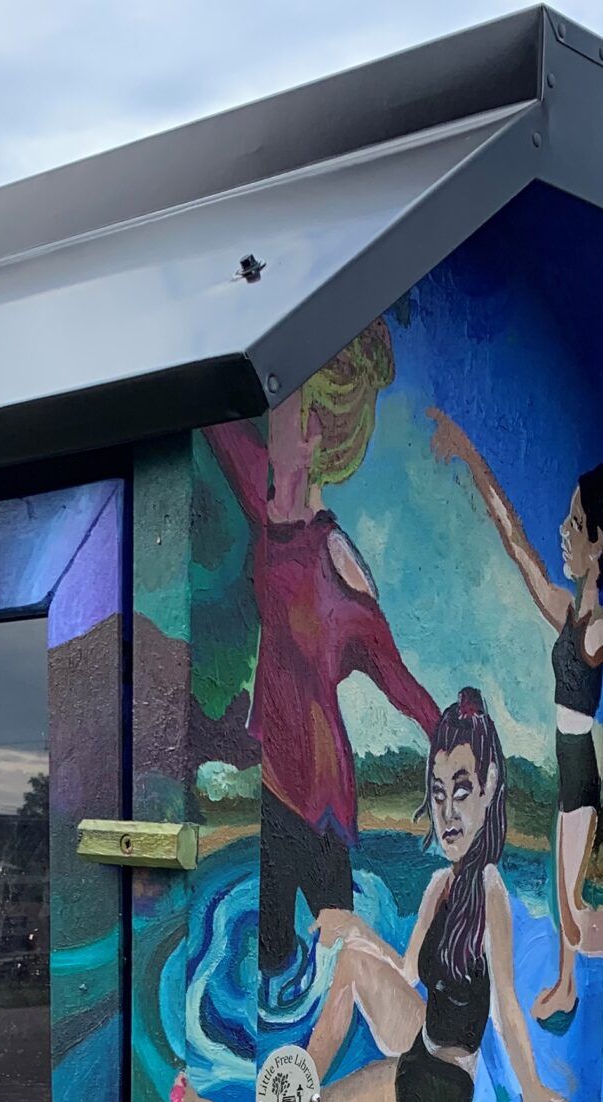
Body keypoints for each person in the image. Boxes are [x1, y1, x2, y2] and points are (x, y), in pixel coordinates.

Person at [203, 322, 439, 1023]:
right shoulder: (261, 499)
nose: (269, 416)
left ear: (310, 437)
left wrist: (452, 733)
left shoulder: (339, 565)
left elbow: (396, 678)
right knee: (275, 947)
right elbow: (213, 424)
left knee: (337, 937)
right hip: (274, 776)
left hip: (324, 790)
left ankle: (400, 1027)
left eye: (283, 408)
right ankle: (278, 1063)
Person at [425, 418, 603, 1056]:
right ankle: (565, 987)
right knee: (562, 900)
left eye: (575, 523)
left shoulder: (601, 631)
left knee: (582, 909)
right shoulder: (568, 614)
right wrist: (470, 457)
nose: (563, 530)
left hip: (583, 769)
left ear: (598, 542)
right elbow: (517, 545)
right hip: (567, 769)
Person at [298, 691, 570, 1102]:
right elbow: (406, 970)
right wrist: (356, 928)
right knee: (352, 962)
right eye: (439, 794)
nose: (446, 814)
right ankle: (293, 1085)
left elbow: (505, 1007)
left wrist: (533, 1092)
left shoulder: (489, 890)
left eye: (461, 793)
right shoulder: (439, 884)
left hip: (439, 1093)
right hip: (421, 1044)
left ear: (489, 786)